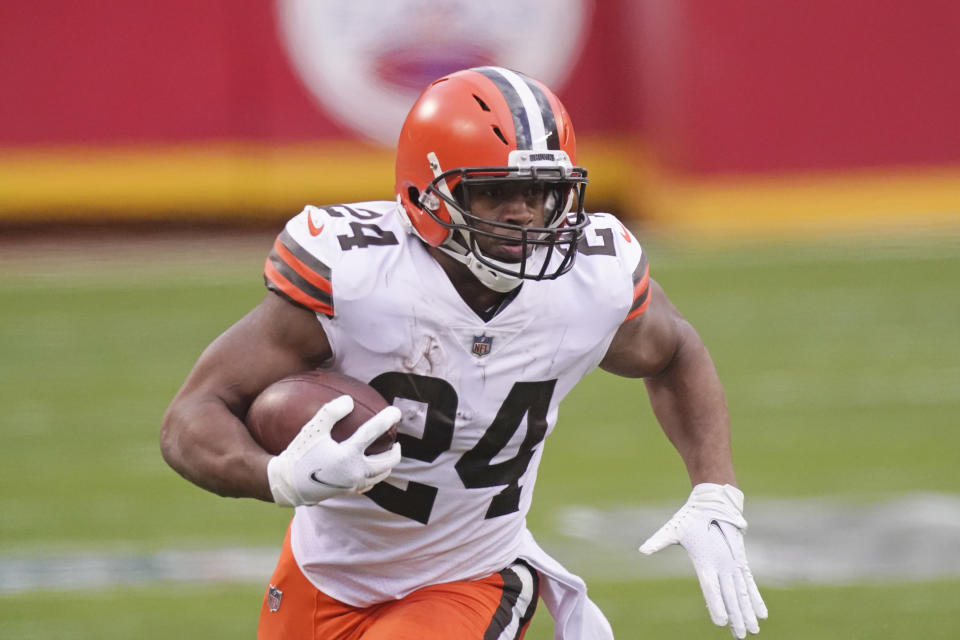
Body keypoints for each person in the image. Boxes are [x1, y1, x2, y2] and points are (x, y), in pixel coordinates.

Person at [160, 66, 767, 639]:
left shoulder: (590, 280)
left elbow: (673, 351)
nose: (524, 214)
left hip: (472, 575)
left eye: (541, 191)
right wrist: (277, 478)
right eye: (497, 191)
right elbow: (194, 414)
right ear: (424, 194)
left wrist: (715, 489)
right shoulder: (358, 278)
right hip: (322, 570)